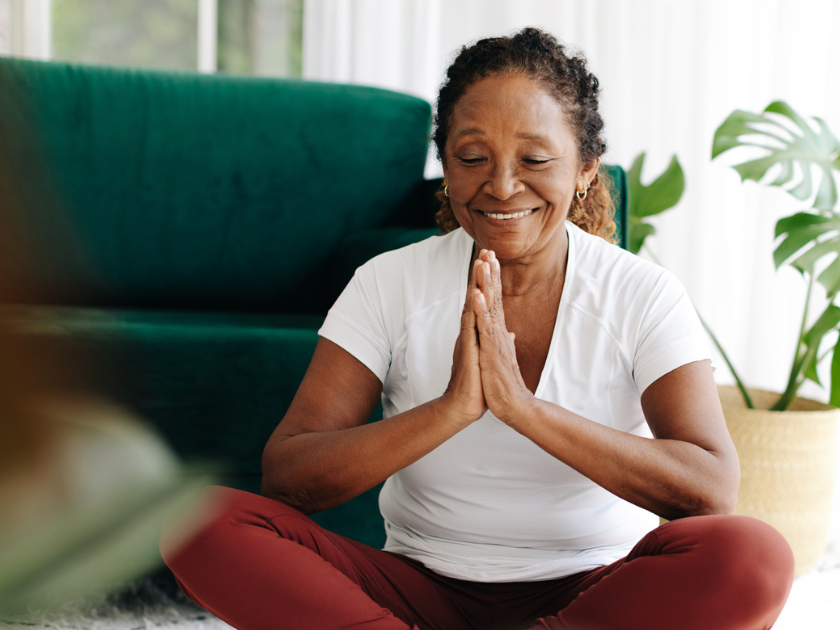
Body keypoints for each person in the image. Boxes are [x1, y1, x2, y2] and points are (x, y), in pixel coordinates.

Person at [162, 27, 794, 630]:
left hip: (591, 594)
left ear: (585, 168)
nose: (502, 185)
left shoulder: (642, 294)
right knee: (194, 521)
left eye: (535, 158)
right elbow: (289, 476)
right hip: (416, 590)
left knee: (753, 555)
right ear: (446, 164)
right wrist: (452, 409)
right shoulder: (389, 281)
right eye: (472, 157)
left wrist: (522, 409)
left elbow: (709, 492)